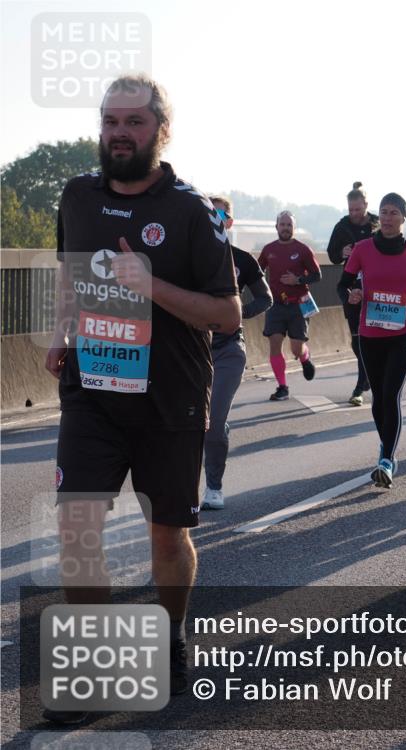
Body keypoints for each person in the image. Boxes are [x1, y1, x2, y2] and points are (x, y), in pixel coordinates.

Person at [44, 75, 241, 723]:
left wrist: (151, 285)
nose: (118, 133)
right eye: (109, 121)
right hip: (92, 392)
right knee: (77, 527)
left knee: (167, 535)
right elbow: (71, 273)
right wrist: (60, 334)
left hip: (172, 397)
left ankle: (174, 632)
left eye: (133, 121)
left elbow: (227, 316)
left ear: (161, 130)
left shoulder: (194, 212)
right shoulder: (76, 195)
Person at [337, 193, 406, 488]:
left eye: (394, 212)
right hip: (370, 334)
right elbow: (343, 283)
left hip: (402, 333)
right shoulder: (363, 249)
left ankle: (387, 460)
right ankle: (386, 447)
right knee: (378, 398)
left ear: (403, 217)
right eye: (385, 212)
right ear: (379, 218)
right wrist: (351, 295)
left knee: (391, 395)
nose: (389, 217)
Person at [202, 196, 273, 510]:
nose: (215, 217)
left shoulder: (242, 259)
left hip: (228, 349)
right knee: (187, 424)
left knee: (213, 422)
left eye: (221, 213)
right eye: (209, 211)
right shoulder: (183, 256)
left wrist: (235, 314)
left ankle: (214, 487)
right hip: (191, 351)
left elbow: (266, 298)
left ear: (229, 222)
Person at [259, 211, 321, 401]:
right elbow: (257, 271)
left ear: (294, 228)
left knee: (295, 348)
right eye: (282, 224)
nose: (285, 228)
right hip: (276, 305)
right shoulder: (268, 249)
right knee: (275, 343)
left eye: (289, 225)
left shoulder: (303, 249)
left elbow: (317, 275)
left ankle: (304, 357)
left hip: (298, 305)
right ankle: (282, 387)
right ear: (276, 226)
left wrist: (298, 279)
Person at [327, 181, 379, 405]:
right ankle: (367, 375)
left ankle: (360, 385)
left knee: (369, 339)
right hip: (351, 286)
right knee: (357, 340)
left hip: (377, 286)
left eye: (358, 209)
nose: (354, 214)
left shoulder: (378, 223)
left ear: (366, 205)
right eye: (351, 210)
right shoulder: (342, 226)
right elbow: (331, 255)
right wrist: (342, 251)